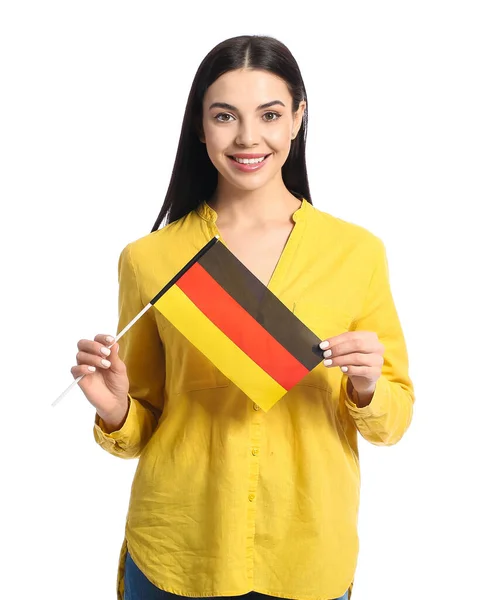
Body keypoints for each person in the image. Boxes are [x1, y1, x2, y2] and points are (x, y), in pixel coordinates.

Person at [73, 35, 415, 600]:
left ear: (298, 119)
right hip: (179, 553)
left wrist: (368, 386)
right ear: (200, 127)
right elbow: (143, 426)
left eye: (270, 114)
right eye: (225, 116)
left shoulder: (356, 254)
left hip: (306, 554)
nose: (248, 138)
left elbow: (395, 419)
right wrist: (115, 411)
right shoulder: (151, 259)